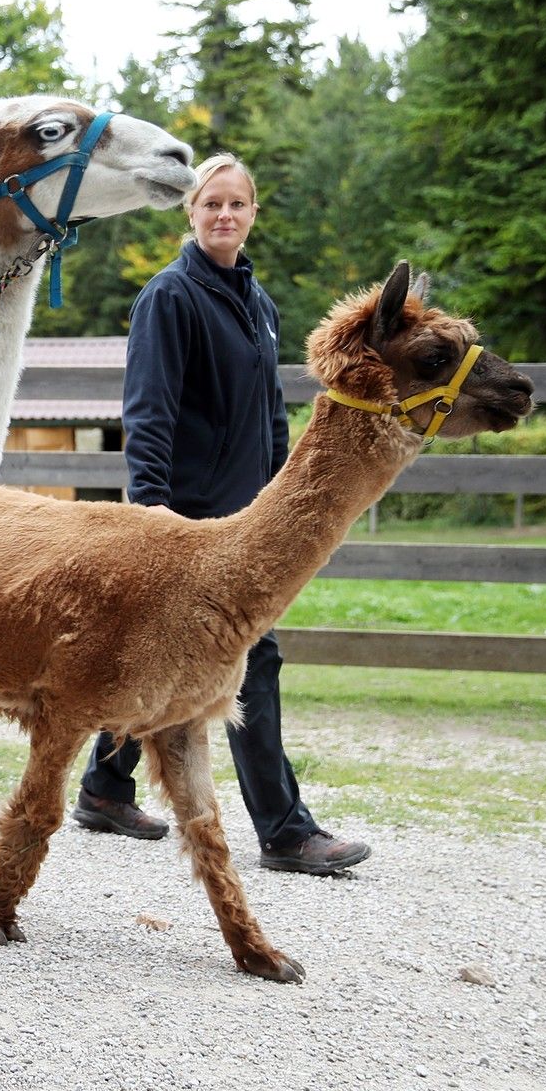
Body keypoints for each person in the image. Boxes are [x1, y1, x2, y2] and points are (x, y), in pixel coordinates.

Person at [69, 153, 371, 877]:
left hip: (248, 519)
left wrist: (282, 504)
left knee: (158, 658)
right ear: (191, 213)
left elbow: (270, 414)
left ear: (253, 213)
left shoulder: (257, 303)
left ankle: (105, 788)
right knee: (252, 657)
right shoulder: (170, 297)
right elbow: (149, 414)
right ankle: (286, 831)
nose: (225, 215)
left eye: (237, 204)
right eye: (212, 204)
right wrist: (151, 517)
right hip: (187, 520)